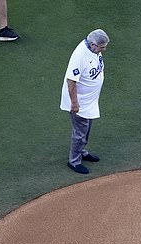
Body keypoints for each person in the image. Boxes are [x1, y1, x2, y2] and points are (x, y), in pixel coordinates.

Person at [60, 29, 110, 174]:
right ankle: (74, 161)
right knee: (80, 131)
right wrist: (74, 103)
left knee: (87, 128)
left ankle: (82, 151)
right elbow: (71, 81)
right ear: (93, 44)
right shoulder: (80, 56)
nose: (104, 50)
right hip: (80, 102)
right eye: (102, 47)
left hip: (90, 100)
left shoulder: (93, 49)